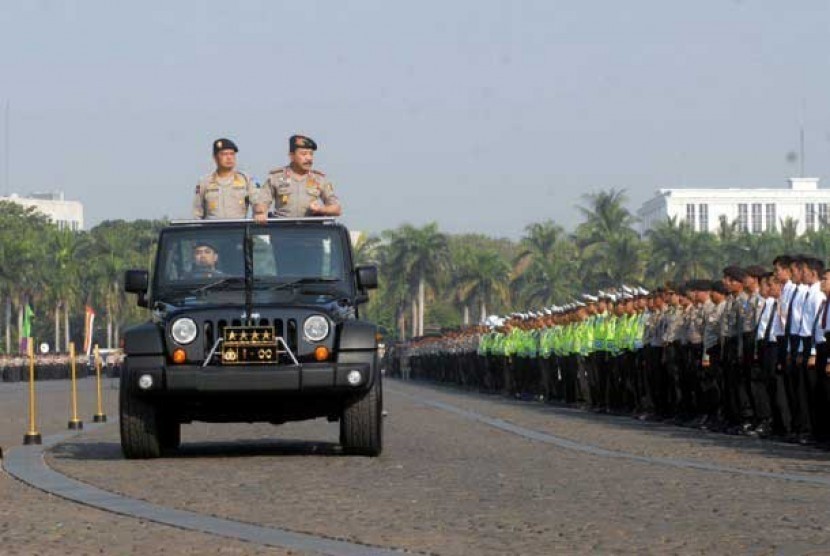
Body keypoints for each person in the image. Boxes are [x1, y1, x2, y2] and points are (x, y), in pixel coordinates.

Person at [259, 135, 342, 218]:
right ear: (292, 156)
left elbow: (337, 209)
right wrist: (261, 213)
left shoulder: (319, 179)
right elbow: (262, 204)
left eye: (311, 154)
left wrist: (321, 209)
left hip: (310, 228)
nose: (309, 158)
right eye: (304, 154)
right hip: (282, 228)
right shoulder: (276, 178)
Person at [192, 138, 267, 221]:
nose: (229, 158)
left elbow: (257, 200)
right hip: (212, 231)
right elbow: (197, 213)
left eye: (232, 154)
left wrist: (259, 212)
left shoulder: (246, 180)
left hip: (238, 230)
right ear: (215, 157)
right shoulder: (204, 182)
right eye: (224, 154)